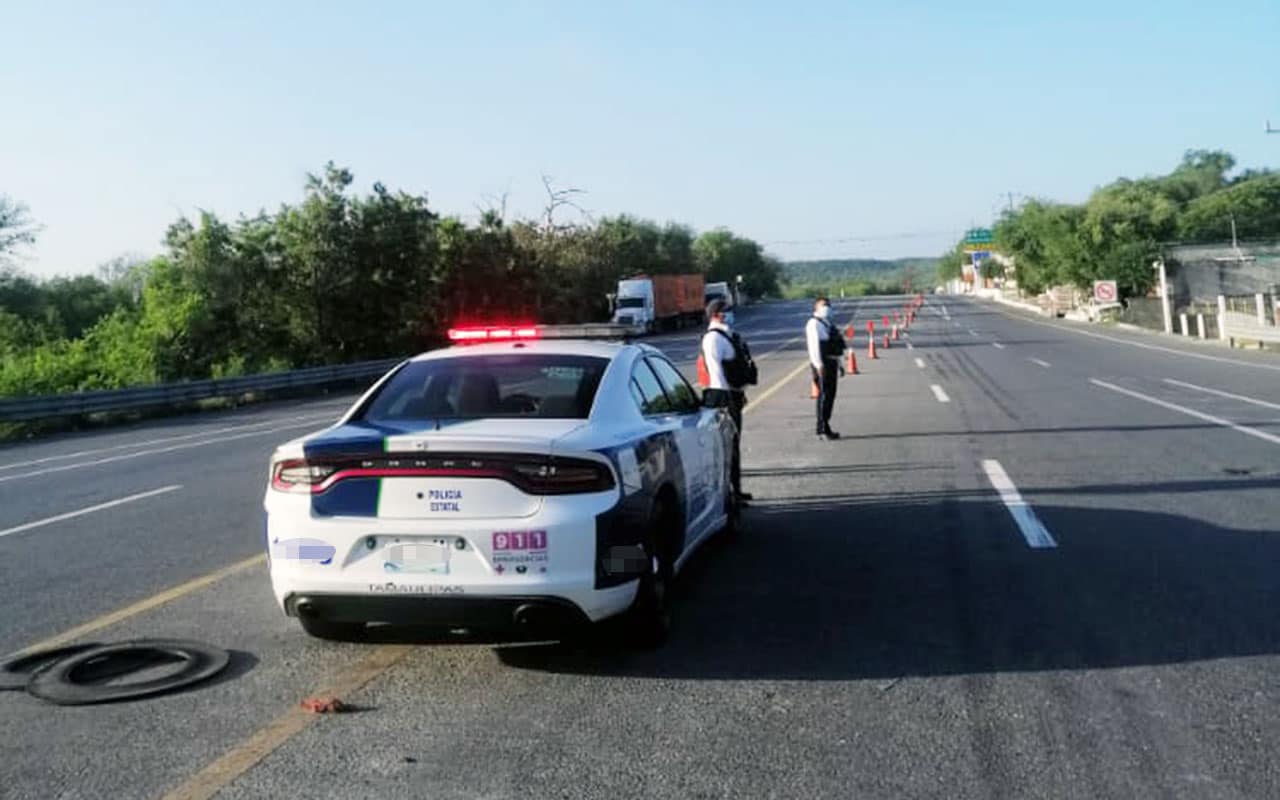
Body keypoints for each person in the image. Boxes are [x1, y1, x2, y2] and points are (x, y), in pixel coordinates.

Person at [701, 298, 754, 502]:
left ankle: (736, 490)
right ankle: (728, 494)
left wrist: (741, 392)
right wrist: (727, 403)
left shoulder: (727, 335)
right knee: (726, 448)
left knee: (734, 446)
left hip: (734, 394)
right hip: (724, 398)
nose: (731, 313)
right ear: (716, 315)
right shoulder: (713, 338)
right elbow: (716, 374)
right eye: (727, 310)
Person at [805, 296, 844, 440]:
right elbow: (814, 346)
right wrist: (818, 365)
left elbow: (835, 346)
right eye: (823, 305)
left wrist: (840, 364)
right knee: (825, 395)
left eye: (828, 305)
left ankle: (825, 425)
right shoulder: (813, 323)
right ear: (816, 307)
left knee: (830, 396)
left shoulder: (827, 323)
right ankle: (822, 428)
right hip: (823, 364)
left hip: (831, 362)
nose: (826, 307)